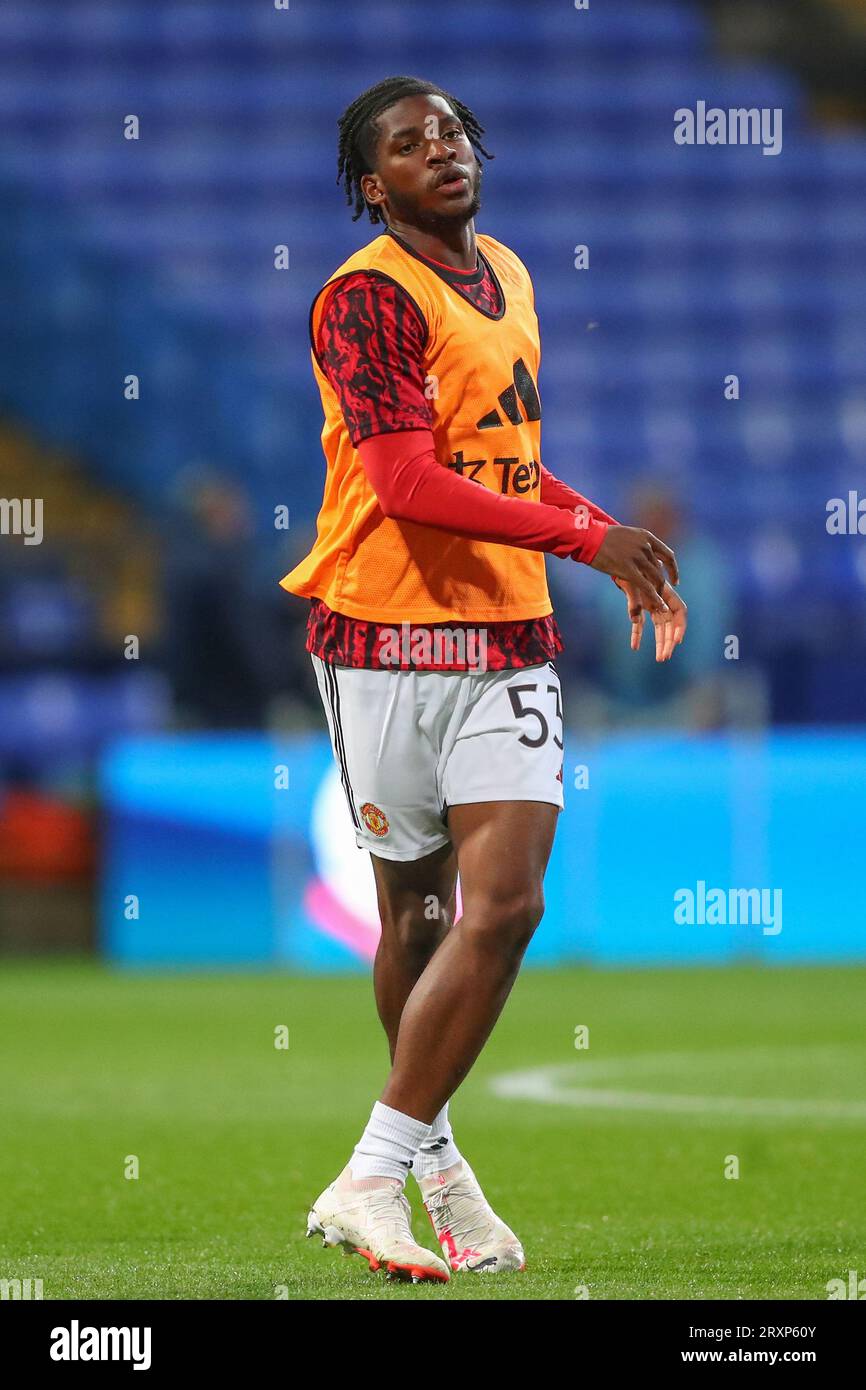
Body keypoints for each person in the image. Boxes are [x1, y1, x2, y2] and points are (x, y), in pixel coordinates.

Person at [280, 76, 687, 1283]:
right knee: (414, 913)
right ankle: (437, 1169)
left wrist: (601, 527)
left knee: (503, 908)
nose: (438, 150)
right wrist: (584, 539)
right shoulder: (362, 301)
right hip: (383, 634)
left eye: (449, 131)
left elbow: (502, 464)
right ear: (373, 186)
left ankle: (369, 1173)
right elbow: (404, 483)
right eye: (407, 145)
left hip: (504, 634)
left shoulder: (506, 270)